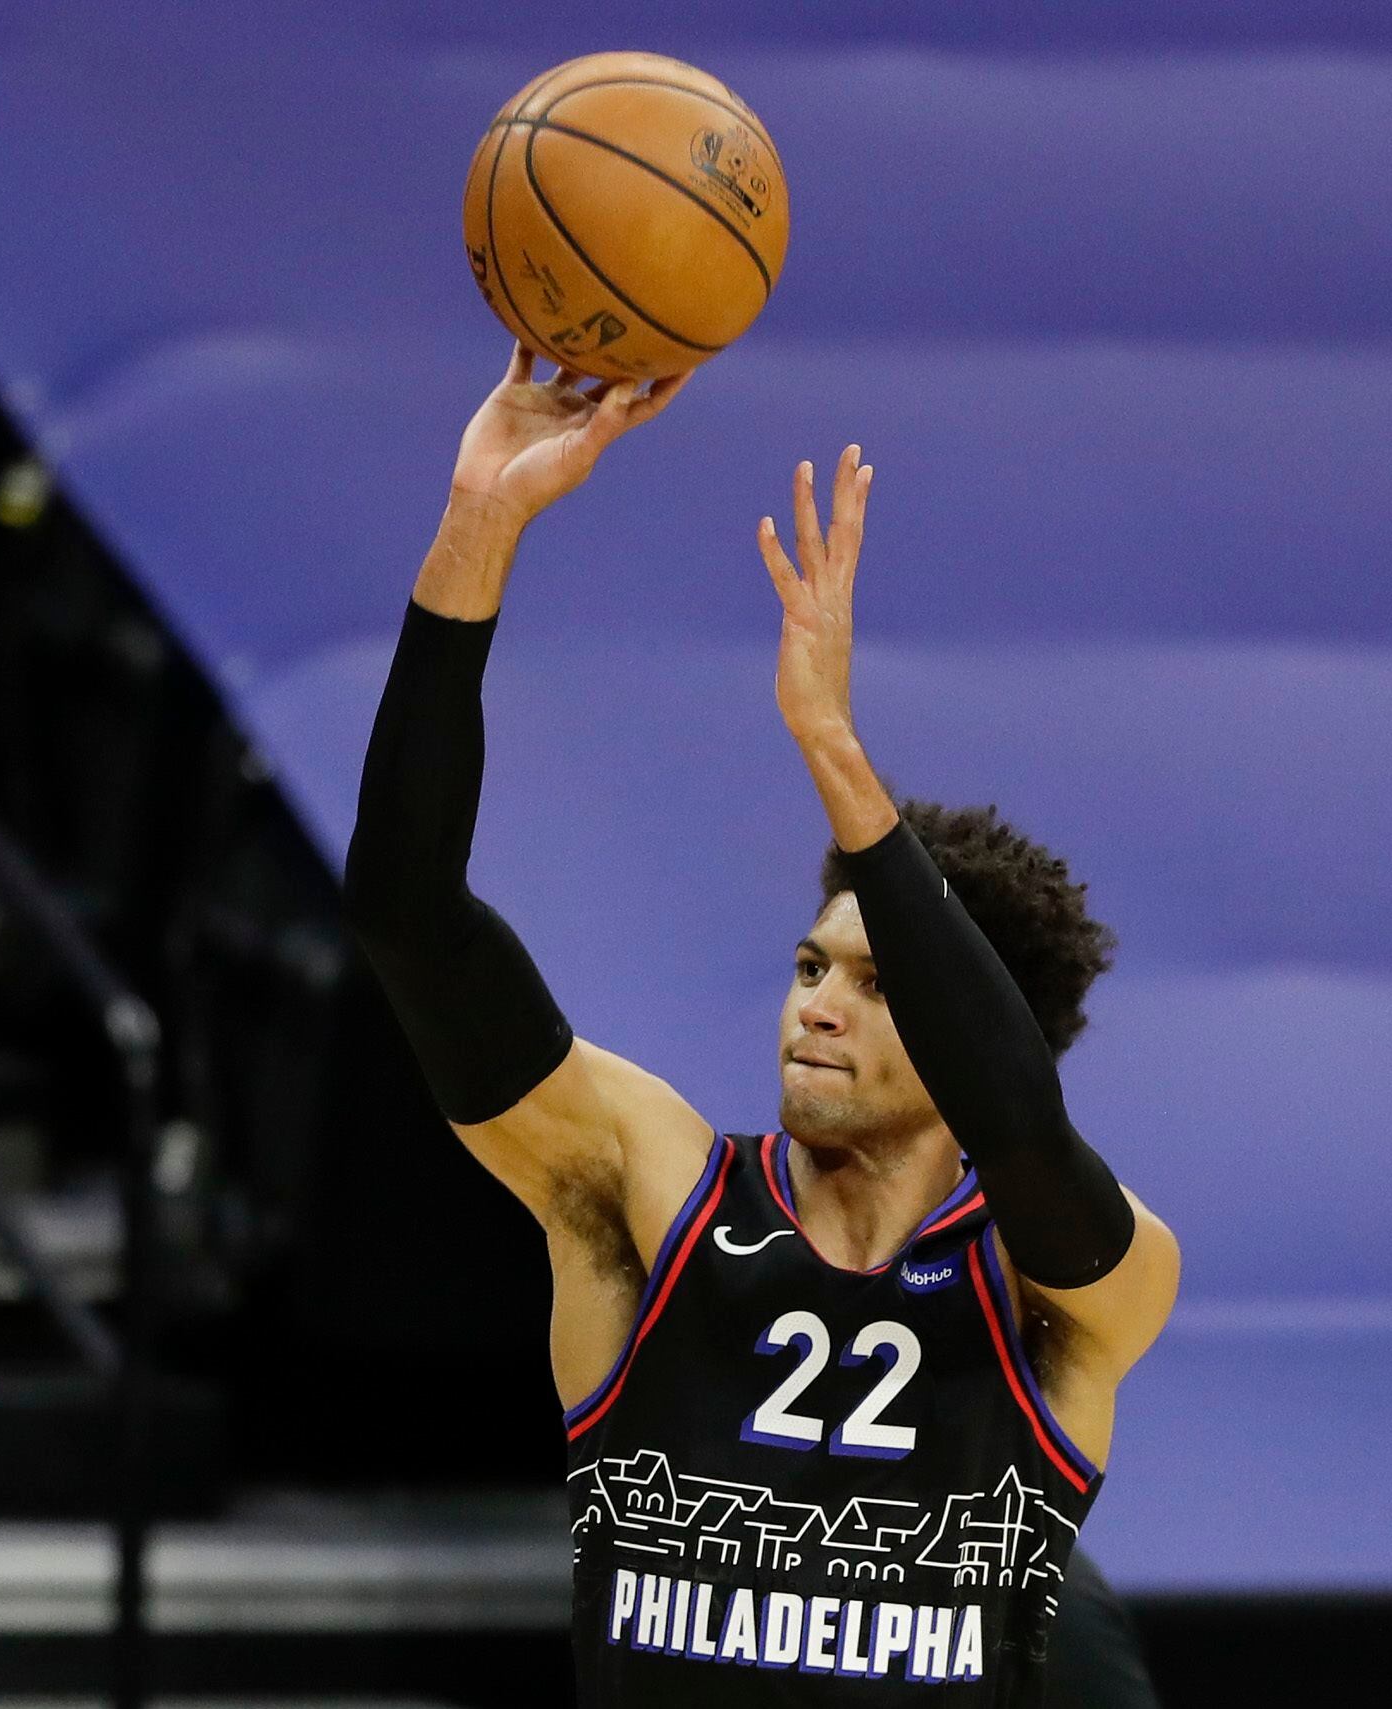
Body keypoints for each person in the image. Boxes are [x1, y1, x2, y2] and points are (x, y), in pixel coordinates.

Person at [342, 345, 1181, 1706]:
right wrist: (478, 524)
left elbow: (1021, 1122)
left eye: (879, 983)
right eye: (809, 965)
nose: (817, 1005)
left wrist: (834, 751)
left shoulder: (1075, 1285)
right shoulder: (653, 1189)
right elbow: (406, 912)